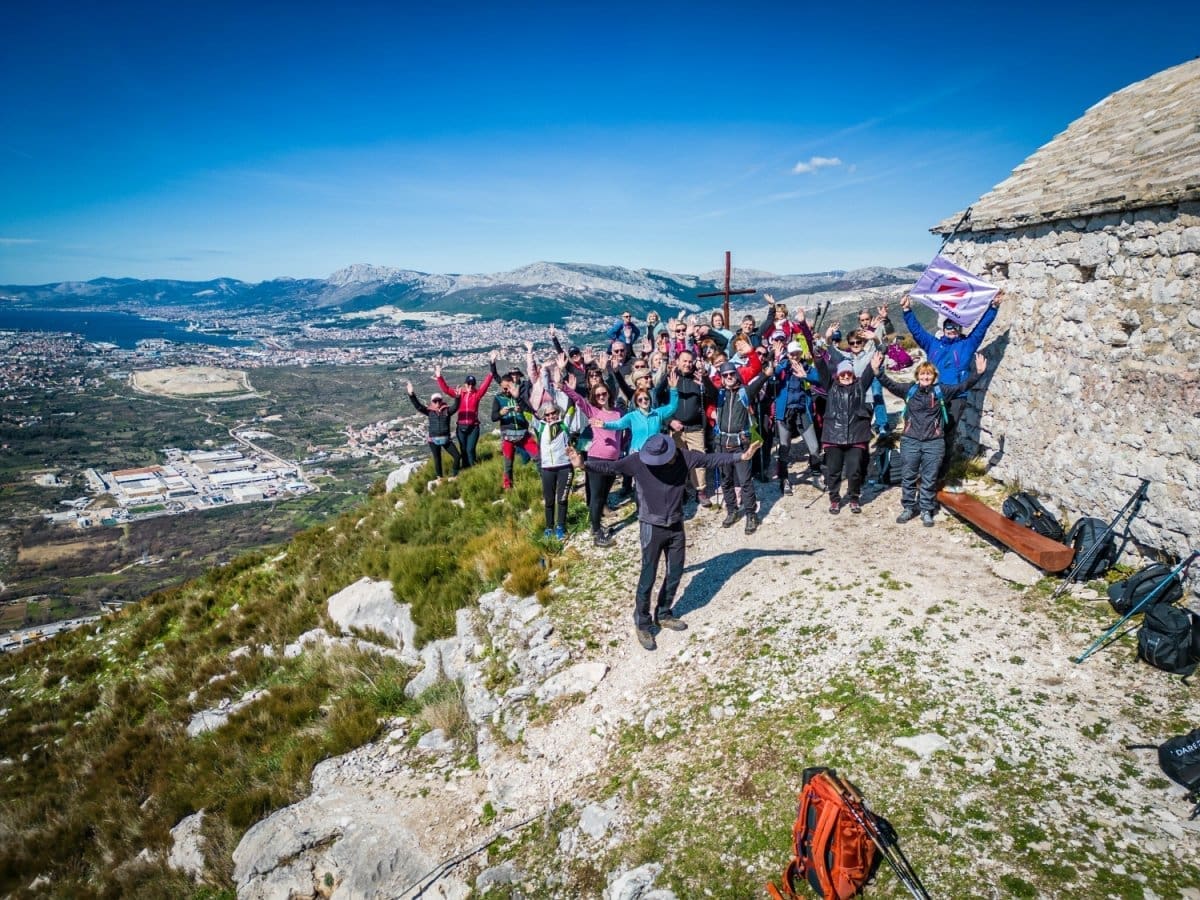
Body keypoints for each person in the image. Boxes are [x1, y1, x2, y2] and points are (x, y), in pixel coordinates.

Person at [570, 433, 761, 651]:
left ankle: (663, 613)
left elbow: (710, 460)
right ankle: (642, 623)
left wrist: (741, 456)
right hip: (651, 526)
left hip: (676, 524)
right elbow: (611, 467)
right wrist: (584, 465)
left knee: (675, 571)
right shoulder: (637, 461)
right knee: (648, 574)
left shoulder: (684, 457)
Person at [872, 351, 987, 526]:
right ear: (917, 375)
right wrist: (877, 371)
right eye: (922, 374)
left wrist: (978, 373)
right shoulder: (909, 390)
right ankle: (908, 507)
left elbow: (963, 387)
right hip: (910, 440)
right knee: (908, 476)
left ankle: (926, 509)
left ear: (934, 377)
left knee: (929, 477)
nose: (925, 377)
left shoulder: (941, 391)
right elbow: (890, 383)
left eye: (929, 374)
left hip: (934, 442)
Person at [901, 290, 1005, 476]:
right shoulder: (932, 344)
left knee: (947, 435)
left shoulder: (967, 344)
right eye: (948, 327)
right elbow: (917, 330)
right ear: (943, 329)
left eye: (954, 327)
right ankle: (924, 470)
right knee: (927, 433)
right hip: (934, 394)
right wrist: (907, 311)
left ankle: (940, 474)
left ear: (959, 329)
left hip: (957, 396)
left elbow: (981, 327)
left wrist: (993, 307)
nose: (951, 330)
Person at [711, 361, 765, 533]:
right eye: (725, 375)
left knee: (745, 480)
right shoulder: (719, 394)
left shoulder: (745, 391)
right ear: (721, 378)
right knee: (726, 480)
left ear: (736, 375)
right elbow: (707, 386)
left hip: (741, 443)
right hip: (722, 443)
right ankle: (732, 510)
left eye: (731, 374)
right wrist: (704, 376)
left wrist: (767, 372)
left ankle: (751, 514)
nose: (729, 377)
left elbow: (759, 382)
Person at [815, 358, 874, 514]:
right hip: (834, 436)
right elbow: (822, 369)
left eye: (849, 373)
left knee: (854, 472)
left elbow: (870, 371)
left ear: (853, 375)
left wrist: (877, 357)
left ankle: (854, 498)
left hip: (856, 436)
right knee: (833, 471)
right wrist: (817, 356)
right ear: (838, 375)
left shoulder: (860, 386)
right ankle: (834, 500)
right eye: (843, 374)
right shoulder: (831, 386)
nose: (846, 376)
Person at [434, 350, 496, 468]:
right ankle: (465, 470)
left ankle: (474, 470)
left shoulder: (477, 395)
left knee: (470, 450)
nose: (470, 386)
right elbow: (446, 389)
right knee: (463, 450)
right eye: (468, 384)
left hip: (473, 427)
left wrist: (492, 363)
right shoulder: (459, 393)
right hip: (461, 426)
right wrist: (439, 376)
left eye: (472, 384)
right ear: (465, 384)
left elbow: (487, 382)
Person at [530, 400, 572, 540]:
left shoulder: (564, 424)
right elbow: (527, 411)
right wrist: (518, 398)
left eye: (553, 413)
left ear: (557, 412)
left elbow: (572, 405)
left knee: (562, 499)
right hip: (547, 468)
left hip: (564, 466)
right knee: (549, 501)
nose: (550, 416)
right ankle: (549, 527)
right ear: (543, 416)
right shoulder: (540, 427)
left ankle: (561, 527)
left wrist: (570, 391)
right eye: (547, 415)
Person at [406, 382, 462, 479]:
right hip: (433, 440)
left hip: (446, 439)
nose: (437, 403)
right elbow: (418, 406)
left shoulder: (447, 411)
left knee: (457, 456)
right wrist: (411, 394)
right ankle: (440, 478)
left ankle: (455, 475)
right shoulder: (429, 411)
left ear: (441, 401)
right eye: (435, 401)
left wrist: (457, 397)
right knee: (437, 459)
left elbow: (456, 407)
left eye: (439, 400)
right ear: (432, 402)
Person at [490, 375, 538, 489]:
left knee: (538, 455)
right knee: (508, 462)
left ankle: (545, 479)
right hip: (508, 435)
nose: (506, 390)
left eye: (508, 388)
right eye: (504, 388)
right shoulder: (498, 398)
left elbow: (530, 411)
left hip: (523, 434)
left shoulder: (520, 396)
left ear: (513, 385)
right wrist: (501, 413)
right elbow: (493, 417)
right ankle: (508, 487)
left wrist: (521, 408)